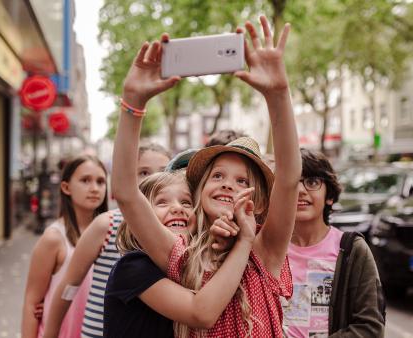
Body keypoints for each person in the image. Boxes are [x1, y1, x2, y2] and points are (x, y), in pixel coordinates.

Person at [111, 15, 301, 337]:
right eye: (217, 176)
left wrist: (278, 95)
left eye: (243, 182)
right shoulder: (180, 253)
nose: (228, 184)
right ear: (198, 191)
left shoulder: (265, 249)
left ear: (260, 203)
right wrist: (133, 102)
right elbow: (126, 192)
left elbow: (289, 179)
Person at [104, 171, 256, 337]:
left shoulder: (192, 264)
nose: (177, 208)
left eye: (186, 202)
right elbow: (201, 314)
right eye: (161, 202)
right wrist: (245, 241)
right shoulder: (134, 266)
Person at [43, 144, 172, 338]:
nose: (153, 179)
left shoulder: (177, 228)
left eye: (163, 172)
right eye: (143, 172)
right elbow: (69, 285)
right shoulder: (107, 224)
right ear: (128, 177)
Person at [282, 149, 385, 337]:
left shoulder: (351, 250)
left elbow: (370, 328)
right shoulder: (267, 249)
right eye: (292, 182)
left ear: (329, 195)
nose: (301, 190)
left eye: (312, 182)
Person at [21, 155, 108, 338]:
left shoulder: (113, 234)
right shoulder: (54, 238)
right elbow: (31, 302)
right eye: (85, 180)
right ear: (66, 187)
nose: (94, 188)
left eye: (101, 182)